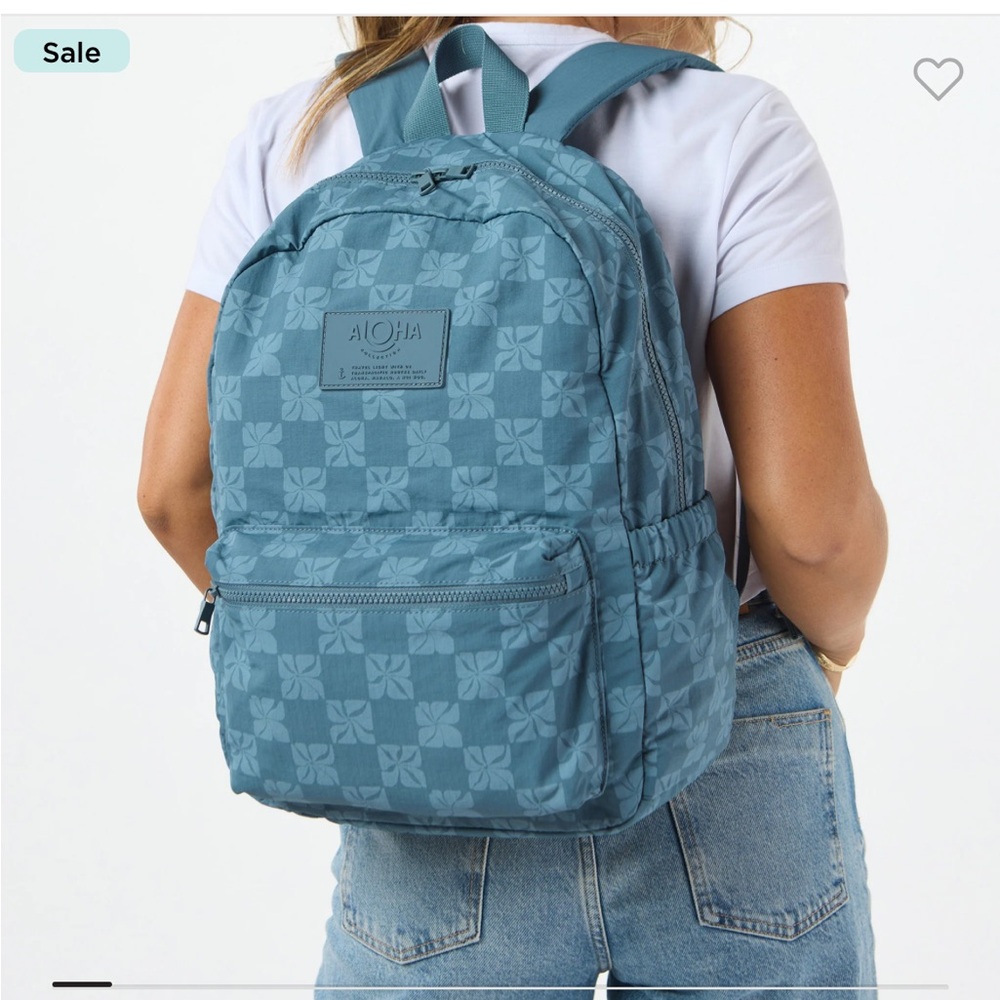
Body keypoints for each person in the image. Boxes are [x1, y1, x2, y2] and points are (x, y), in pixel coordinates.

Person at [137, 15, 888, 999]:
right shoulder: (731, 125)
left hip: (425, 733)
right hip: (720, 721)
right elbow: (816, 531)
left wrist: (367, 635)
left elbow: (172, 491)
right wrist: (829, 648)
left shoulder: (297, 135)